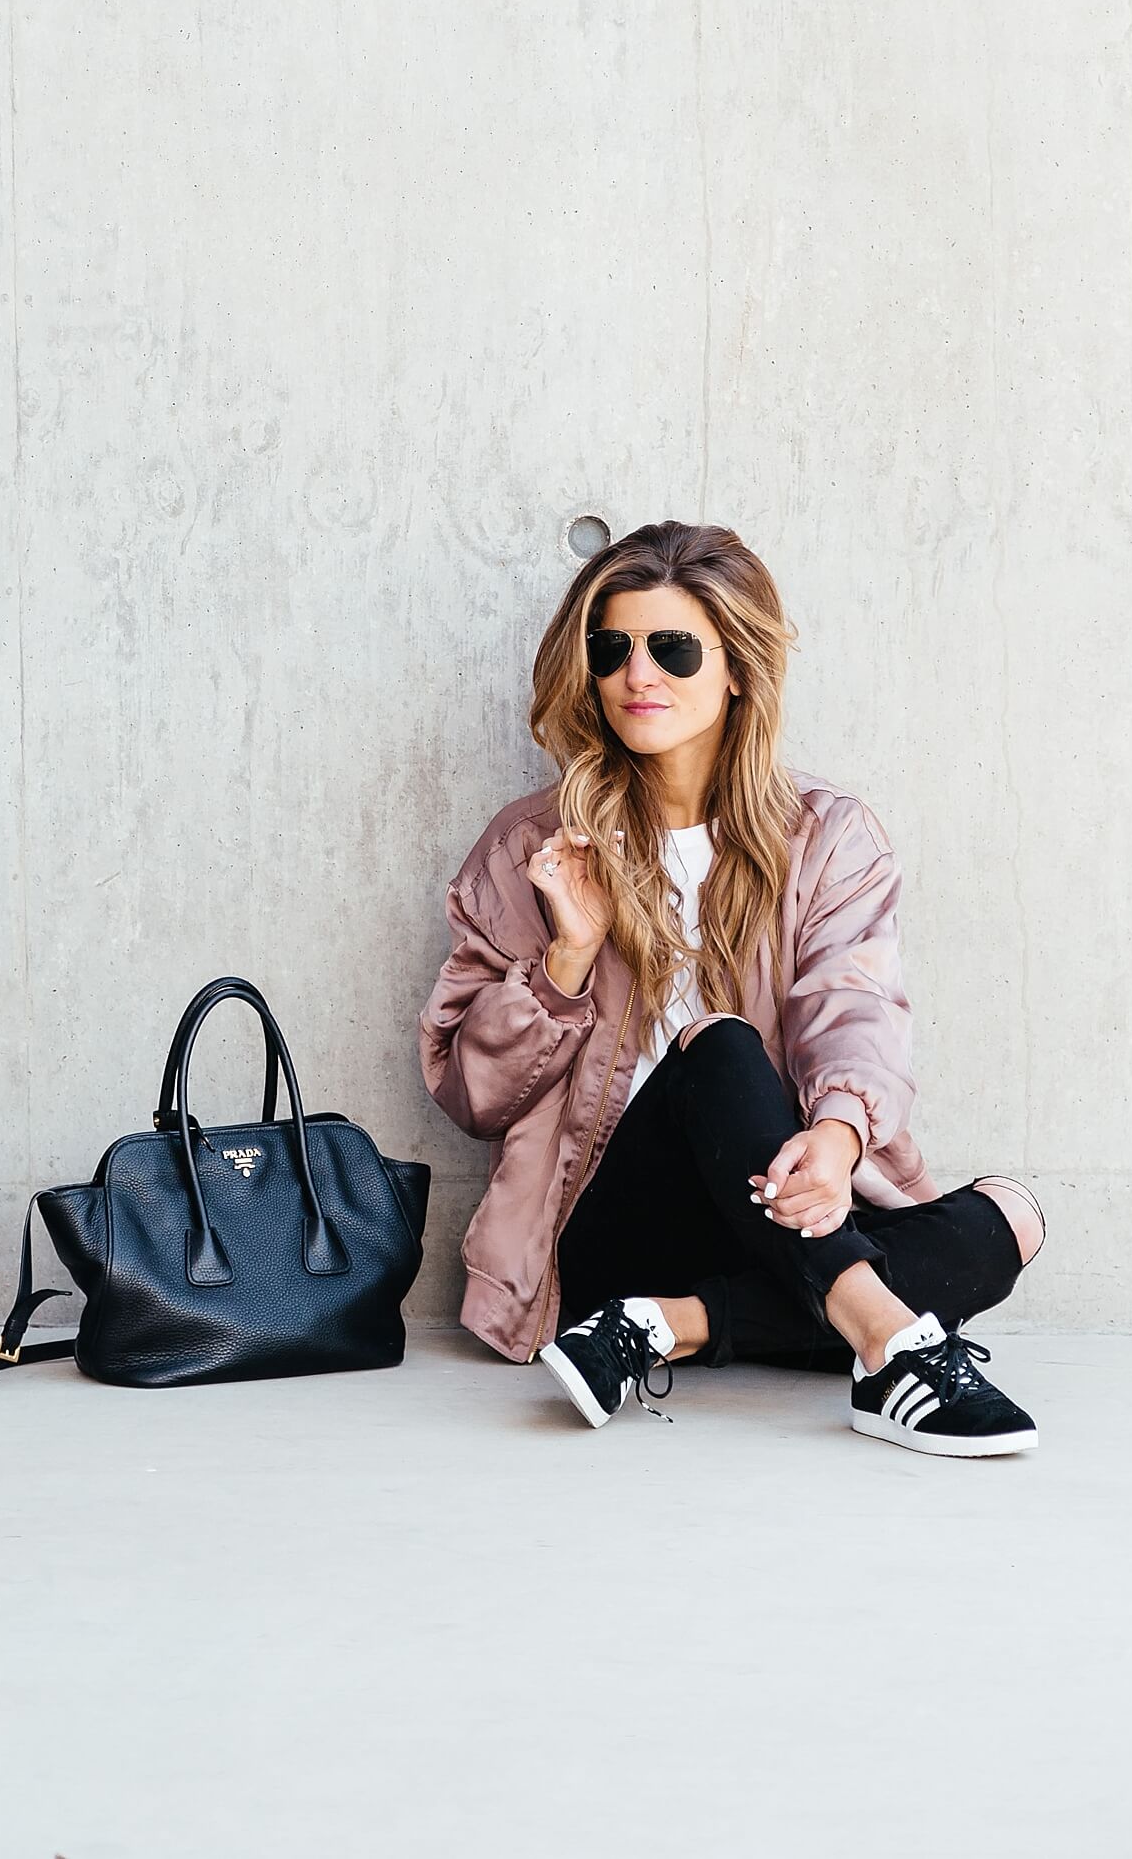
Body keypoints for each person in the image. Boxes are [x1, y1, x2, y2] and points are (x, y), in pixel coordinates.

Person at [417, 518, 1046, 1456]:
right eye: (613, 649)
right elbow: (470, 1094)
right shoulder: (531, 850)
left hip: (778, 1214)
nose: (639, 675)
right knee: (717, 1044)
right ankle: (884, 1339)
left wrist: (836, 1140)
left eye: (671, 648)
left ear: (737, 667)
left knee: (1011, 1220)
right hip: (609, 1228)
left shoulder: (827, 838)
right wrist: (566, 960)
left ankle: (664, 1328)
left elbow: (856, 1012)